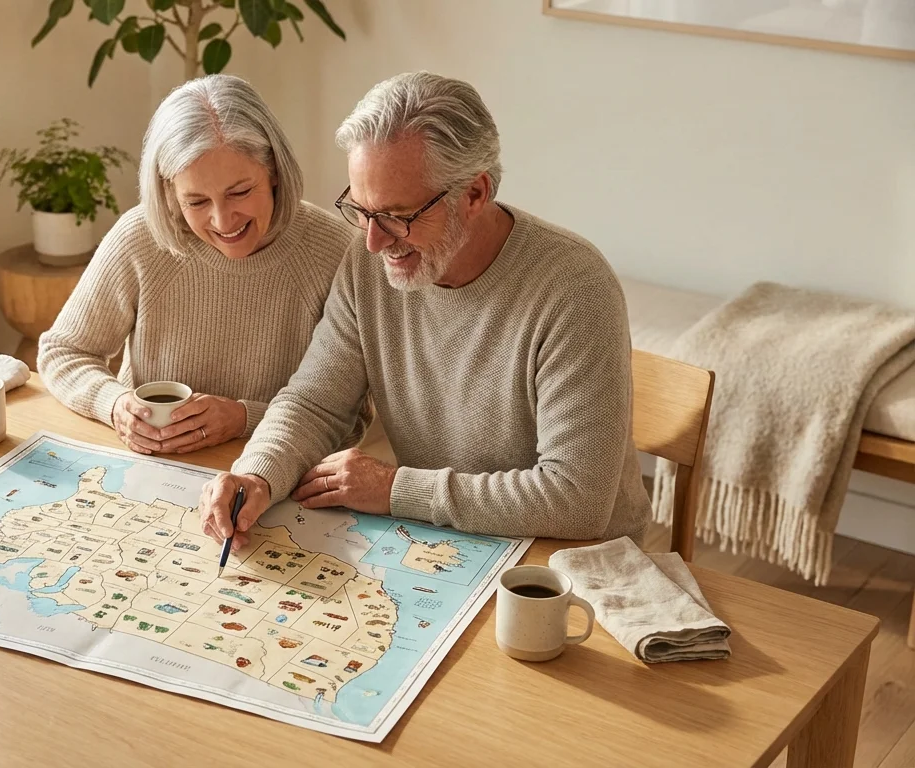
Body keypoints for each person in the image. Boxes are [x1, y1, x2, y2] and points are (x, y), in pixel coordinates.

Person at [199, 72, 651, 550]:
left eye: (397, 216)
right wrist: (256, 475)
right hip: (448, 543)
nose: (373, 241)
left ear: (475, 194)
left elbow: (576, 499)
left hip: (574, 562)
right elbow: (316, 403)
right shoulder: (369, 259)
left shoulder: (576, 289)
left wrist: (397, 489)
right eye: (361, 210)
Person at [39, 74, 366, 455]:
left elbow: (352, 418)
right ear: (168, 191)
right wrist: (114, 405)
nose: (223, 221)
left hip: (269, 480)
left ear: (274, 171)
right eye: (196, 202)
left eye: (240, 192)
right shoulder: (140, 238)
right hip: (150, 470)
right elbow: (63, 352)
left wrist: (245, 418)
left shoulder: (334, 252)